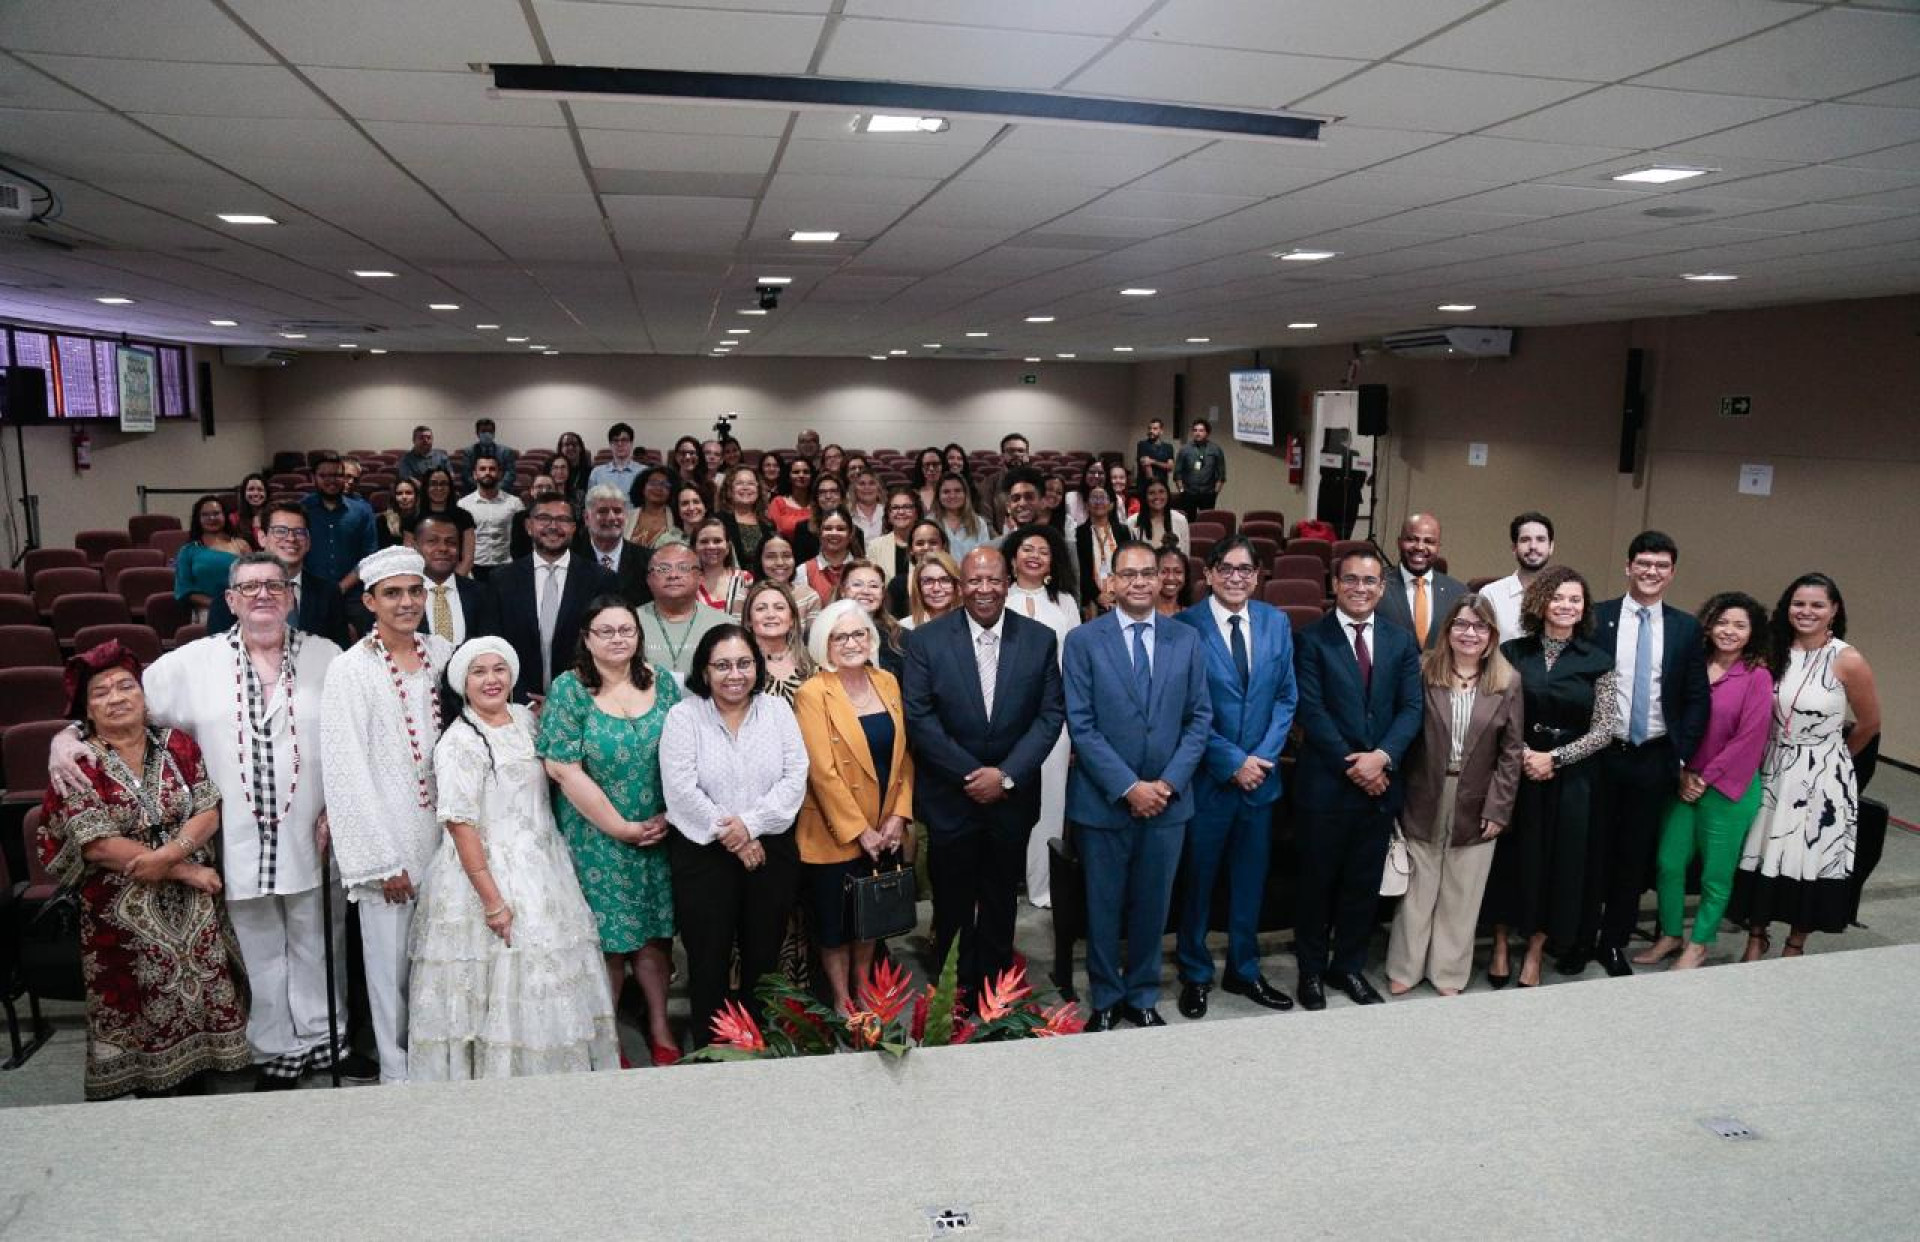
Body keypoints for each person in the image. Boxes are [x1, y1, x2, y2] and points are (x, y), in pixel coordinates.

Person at [38, 641, 252, 1099]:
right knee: (137, 1015)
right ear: (87, 710)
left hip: (193, 917)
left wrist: (170, 855)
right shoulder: (77, 762)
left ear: (142, 694)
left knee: (202, 1013)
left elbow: (208, 808)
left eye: (125, 687)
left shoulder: (177, 744)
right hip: (121, 919)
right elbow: (94, 842)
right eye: (101, 692)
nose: (116, 698)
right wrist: (184, 870)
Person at [409, 638, 619, 1079]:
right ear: (462, 683)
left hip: (542, 863)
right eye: (479, 672)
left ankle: (548, 1074)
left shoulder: (525, 720)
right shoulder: (460, 743)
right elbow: (460, 825)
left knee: (545, 974)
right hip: (488, 873)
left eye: (499, 670)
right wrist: (493, 901)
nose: (491, 680)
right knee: (497, 978)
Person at [902, 546, 1065, 1000]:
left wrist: (1006, 775)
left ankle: (996, 991)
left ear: (1007, 583)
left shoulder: (1038, 639)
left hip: (1011, 799)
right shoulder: (926, 641)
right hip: (951, 797)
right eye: (974, 580)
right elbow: (920, 718)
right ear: (960, 586)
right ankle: (954, 991)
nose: (984, 589)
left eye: (993, 580)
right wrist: (973, 774)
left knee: (1000, 901)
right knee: (952, 903)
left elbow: (1051, 715)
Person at [1061, 542, 1211, 1029]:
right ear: (1111, 581)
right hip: (1104, 801)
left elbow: (1199, 718)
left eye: (1150, 573)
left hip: (1169, 803)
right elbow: (1081, 726)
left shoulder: (1185, 639)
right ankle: (1105, 997)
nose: (1141, 582)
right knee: (1103, 907)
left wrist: (1165, 784)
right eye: (1129, 574)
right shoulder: (1084, 641)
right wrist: (1129, 787)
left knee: (1153, 904)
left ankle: (1142, 995)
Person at [321, 547, 454, 1083]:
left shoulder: (444, 653)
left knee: (440, 960)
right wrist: (379, 860)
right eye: (393, 593)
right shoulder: (349, 669)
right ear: (369, 601)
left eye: (414, 591)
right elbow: (344, 769)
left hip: (446, 836)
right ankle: (397, 1075)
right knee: (389, 967)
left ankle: (439, 1064)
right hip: (388, 842)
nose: (406, 603)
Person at [539, 596, 682, 1066]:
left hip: (658, 830)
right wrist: (619, 827)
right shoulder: (570, 688)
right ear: (587, 638)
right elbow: (562, 766)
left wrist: (670, 814)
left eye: (626, 630)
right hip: (596, 836)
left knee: (655, 935)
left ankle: (659, 1024)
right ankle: (608, 1036)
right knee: (609, 943)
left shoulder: (662, 684)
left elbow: (684, 750)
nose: (618, 639)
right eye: (606, 631)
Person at [1289, 545, 1424, 1009]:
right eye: (1351, 580)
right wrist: (1358, 765)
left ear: (1381, 588)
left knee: (1362, 888)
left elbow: (1411, 708)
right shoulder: (1310, 639)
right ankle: (1310, 972)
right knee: (1316, 886)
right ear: (1335, 584)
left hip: (1380, 790)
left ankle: (1346, 967)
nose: (1360, 589)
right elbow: (1312, 711)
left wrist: (1382, 757)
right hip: (1326, 786)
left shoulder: (1402, 640)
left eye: (1369, 581)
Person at [1169, 538, 1298, 1017]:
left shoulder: (1275, 621)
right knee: (1198, 884)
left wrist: (1261, 759)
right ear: (1209, 573)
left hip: (1261, 783)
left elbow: (1286, 697)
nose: (1237, 577)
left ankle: (1245, 971)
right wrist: (1232, 762)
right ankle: (1195, 972)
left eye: (1246, 569)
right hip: (1208, 782)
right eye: (1227, 568)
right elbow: (1185, 711)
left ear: (1258, 574)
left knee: (1250, 884)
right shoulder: (1184, 627)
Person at [663, 625, 809, 1044]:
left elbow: (794, 777)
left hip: (771, 850)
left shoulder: (777, 711)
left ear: (757, 666)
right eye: (722, 665)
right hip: (703, 854)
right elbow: (680, 789)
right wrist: (736, 836)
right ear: (704, 671)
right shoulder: (684, 716)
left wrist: (751, 825)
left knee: (764, 956)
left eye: (744, 663)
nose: (735, 674)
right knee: (708, 959)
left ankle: (759, 1041)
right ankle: (714, 1048)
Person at [1484, 567, 1619, 990]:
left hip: (1572, 779)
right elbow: (1495, 712)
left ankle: (1537, 949)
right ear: (1540, 602)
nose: (1566, 606)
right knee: (1510, 860)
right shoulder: (1510, 651)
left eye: (1575, 600)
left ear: (1584, 609)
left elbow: (1604, 729)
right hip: (1516, 770)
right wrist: (1524, 754)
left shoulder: (1598, 660)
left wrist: (1555, 758)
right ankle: (1502, 943)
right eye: (1558, 597)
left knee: (1558, 865)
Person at [1383, 593, 1525, 997]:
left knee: (1463, 889)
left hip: (1479, 796)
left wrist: (1499, 808)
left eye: (1480, 626)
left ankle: (1448, 972)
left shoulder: (1507, 680)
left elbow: (1511, 753)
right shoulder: (1425, 671)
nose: (1470, 633)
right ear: (1448, 631)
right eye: (1461, 624)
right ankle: (1405, 967)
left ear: (1492, 635)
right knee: (1418, 885)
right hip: (1424, 790)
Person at [1582, 531, 1710, 978]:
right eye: (1644, 563)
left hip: (1653, 755)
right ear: (1628, 566)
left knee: (1633, 854)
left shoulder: (1685, 628)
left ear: (1672, 573)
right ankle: (1580, 935)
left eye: (1661, 566)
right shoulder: (1597, 618)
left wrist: (1681, 756)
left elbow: (1696, 698)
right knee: (1591, 847)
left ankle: (1612, 940)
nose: (1651, 572)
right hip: (1600, 753)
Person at [1734, 574, 1881, 959]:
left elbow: (1869, 724)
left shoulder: (1847, 659)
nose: (1807, 612)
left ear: (1834, 611)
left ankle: (1795, 941)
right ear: (1787, 607)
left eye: (1817, 605)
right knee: (1761, 849)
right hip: (1772, 764)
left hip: (1822, 774)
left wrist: (1836, 761)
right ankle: (1755, 935)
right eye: (1799, 604)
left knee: (1810, 856)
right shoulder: (1771, 650)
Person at [1636, 593, 1772, 971]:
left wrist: (1704, 778)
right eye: (1722, 622)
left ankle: (1699, 943)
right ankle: (1670, 934)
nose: (1728, 631)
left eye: (1739, 625)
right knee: (1668, 863)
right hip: (1683, 781)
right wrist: (1682, 773)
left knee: (1715, 872)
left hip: (1729, 790)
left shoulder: (1756, 676)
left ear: (1752, 633)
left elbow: (1749, 739)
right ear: (1708, 626)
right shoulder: (1694, 666)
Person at [791, 602, 913, 1011]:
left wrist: (898, 816)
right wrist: (861, 831)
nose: (850, 643)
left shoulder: (887, 681)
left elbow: (904, 756)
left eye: (858, 634)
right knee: (834, 925)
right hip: (834, 830)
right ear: (825, 645)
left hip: (886, 823)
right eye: (839, 637)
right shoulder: (813, 693)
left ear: (871, 638)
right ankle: (842, 999)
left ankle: (865, 989)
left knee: (869, 919)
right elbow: (822, 771)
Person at [1001, 526, 1077, 908]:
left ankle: (1042, 885)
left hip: (1055, 715)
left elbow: (1075, 661)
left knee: (1051, 801)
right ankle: (1004, 880)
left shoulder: (1064, 601)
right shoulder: (998, 596)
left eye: (1042, 551)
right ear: (1012, 558)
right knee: (1006, 797)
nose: (1033, 555)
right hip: (1006, 718)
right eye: (1026, 549)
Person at [490, 495, 616, 701]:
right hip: (518, 704)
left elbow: (606, 645)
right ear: (529, 526)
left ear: (574, 528)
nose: (553, 526)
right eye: (544, 518)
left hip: (581, 701)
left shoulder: (601, 580)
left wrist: (570, 700)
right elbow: (494, 645)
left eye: (563, 520)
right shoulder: (501, 580)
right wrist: (525, 701)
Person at [206, 502, 351, 646]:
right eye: (280, 531)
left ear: (308, 541)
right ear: (262, 538)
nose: (291, 538)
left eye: (299, 532)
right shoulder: (234, 592)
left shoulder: (328, 593)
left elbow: (339, 653)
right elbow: (220, 653)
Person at [1376, 514, 1466, 651]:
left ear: (1438, 547)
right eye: (1412, 539)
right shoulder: (1375, 587)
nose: (1419, 547)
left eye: (1429, 541)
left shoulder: (1458, 592)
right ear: (1399, 542)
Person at [303, 452, 379, 593]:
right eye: (324, 476)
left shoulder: (362, 510)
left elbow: (369, 556)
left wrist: (341, 588)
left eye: (337, 475)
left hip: (354, 594)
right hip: (311, 592)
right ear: (313, 477)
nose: (331, 480)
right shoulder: (302, 509)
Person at [414, 514, 491, 646]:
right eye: (432, 541)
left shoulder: (483, 594)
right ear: (416, 547)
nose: (443, 548)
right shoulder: (401, 597)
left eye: (451, 542)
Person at [175, 493, 251, 623]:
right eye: (205, 515)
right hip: (206, 611)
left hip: (242, 609)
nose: (211, 518)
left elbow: (252, 580)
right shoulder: (187, 551)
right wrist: (218, 605)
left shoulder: (241, 545)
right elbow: (184, 590)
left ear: (225, 516)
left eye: (216, 513)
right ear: (197, 519)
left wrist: (237, 605)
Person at [574, 484, 651, 606]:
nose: (611, 517)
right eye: (603, 511)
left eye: (617, 511)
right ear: (586, 518)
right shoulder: (571, 558)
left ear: (626, 516)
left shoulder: (647, 559)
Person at [457, 449, 525, 580]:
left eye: (492, 469)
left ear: (500, 474)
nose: (487, 473)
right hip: (473, 569)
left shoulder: (515, 504)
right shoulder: (463, 505)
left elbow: (522, 541)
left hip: (506, 568)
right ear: (475, 474)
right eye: (482, 469)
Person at [1487, 512, 1555, 642]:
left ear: (1551, 547)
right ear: (1514, 548)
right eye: (1525, 540)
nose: (1533, 546)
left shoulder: (1566, 597)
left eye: (1540, 539)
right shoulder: (1491, 595)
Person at [744, 579, 813, 703]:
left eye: (779, 608)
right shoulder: (740, 666)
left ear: (792, 619)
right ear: (749, 620)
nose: (771, 615)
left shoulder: (813, 662)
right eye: (761, 609)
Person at [835, 559, 904, 679]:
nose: (866, 591)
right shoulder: (824, 633)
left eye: (873, 586)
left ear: (882, 594)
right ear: (842, 591)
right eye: (857, 584)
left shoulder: (900, 636)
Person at [1074, 484, 1127, 617]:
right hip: (1092, 601)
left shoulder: (1123, 531)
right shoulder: (1079, 534)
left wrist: (1117, 593)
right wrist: (1097, 595)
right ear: (1086, 505)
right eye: (1094, 498)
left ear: (1111, 505)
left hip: (1122, 597)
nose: (1098, 502)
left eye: (1102, 498)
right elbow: (1080, 569)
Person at [415, 467, 476, 576]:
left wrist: (452, 583)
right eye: (433, 484)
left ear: (450, 488)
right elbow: (411, 556)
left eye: (443, 484)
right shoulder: (413, 518)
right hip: (421, 578)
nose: (439, 488)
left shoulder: (464, 517)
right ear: (426, 487)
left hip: (459, 575)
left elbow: (468, 558)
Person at [884, 519, 948, 619]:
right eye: (920, 543)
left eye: (933, 542)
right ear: (911, 550)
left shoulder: (957, 581)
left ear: (943, 546)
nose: (926, 547)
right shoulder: (898, 585)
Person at [692, 516, 751, 620]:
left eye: (717, 541)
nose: (711, 546)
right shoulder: (689, 584)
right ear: (695, 548)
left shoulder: (745, 579)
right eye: (704, 541)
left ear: (728, 547)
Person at [756, 535, 821, 628]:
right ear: (760, 560)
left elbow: (813, 638)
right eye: (771, 557)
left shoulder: (809, 597)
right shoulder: (745, 595)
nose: (780, 563)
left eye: (786, 556)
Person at [719, 466, 777, 570]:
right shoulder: (719, 521)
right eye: (739, 483)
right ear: (729, 490)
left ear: (758, 489)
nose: (745, 487)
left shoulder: (768, 524)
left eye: (751, 483)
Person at [867, 488, 924, 586]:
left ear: (917, 513)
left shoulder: (927, 544)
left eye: (907, 507)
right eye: (895, 508)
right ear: (888, 515)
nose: (901, 512)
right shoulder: (875, 546)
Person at [801, 507, 860, 602]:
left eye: (841, 529)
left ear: (851, 533)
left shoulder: (862, 569)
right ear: (819, 533)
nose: (834, 533)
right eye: (828, 528)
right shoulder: (804, 571)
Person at [1173, 418, 1227, 515]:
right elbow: (1177, 474)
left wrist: (1215, 493)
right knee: (1189, 522)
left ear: (1207, 433)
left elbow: (1221, 475)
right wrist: (1182, 491)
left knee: (1207, 521)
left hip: (1208, 493)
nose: (1197, 433)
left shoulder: (1216, 450)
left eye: (1201, 430)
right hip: (1189, 493)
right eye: (1195, 430)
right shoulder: (1185, 450)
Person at [902, 549, 960, 630]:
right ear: (918, 587)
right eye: (928, 581)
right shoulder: (904, 628)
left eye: (945, 580)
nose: (936, 588)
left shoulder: (971, 625)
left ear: (956, 585)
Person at [626, 465, 678, 547]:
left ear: (671, 491)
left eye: (665, 484)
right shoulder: (627, 517)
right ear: (642, 487)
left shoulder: (677, 518)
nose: (658, 488)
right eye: (653, 482)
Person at [1132, 479, 1189, 554]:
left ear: (1168, 494)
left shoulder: (1181, 520)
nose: (1157, 496)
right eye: (1151, 493)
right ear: (1145, 496)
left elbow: (1185, 557)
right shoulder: (1132, 522)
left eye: (1161, 492)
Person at [767, 455, 816, 539]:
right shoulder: (778, 502)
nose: (801, 475)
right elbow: (773, 534)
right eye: (796, 472)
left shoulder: (818, 502)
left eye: (806, 472)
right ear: (788, 477)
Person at [587, 421, 643, 494]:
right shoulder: (597, 473)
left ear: (631, 443)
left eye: (624, 440)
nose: (620, 444)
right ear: (610, 444)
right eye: (615, 440)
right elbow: (591, 502)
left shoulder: (643, 472)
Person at [463, 417, 517, 490]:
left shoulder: (506, 451)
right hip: (476, 491)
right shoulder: (469, 452)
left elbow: (510, 474)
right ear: (477, 433)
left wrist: (496, 488)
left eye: (490, 431)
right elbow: (466, 475)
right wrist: (481, 489)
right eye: (483, 431)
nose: (487, 434)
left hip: (501, 491)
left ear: (494, 433)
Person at [848, 468, 888, 544]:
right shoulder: (848, 514)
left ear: (878, 488)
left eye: (872, 483)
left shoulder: (888, 512)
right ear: (854, 489)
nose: (867, 487)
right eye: (862, 484)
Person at [379, 478, 421, 548]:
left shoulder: (424, 519)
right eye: (399, 494)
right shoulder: (383, 520)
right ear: (394, 497)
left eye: (408, 493)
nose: (404, 497)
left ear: (416, 496)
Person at [1136, 417, 1174, 496]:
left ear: (1161, 431)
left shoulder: (1168, 447)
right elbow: (1147, 466)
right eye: (1149, 428)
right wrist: (1153, 486)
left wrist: (1153, 461)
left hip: (1163, 486)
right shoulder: (1143, 444)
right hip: (1146, 487)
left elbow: (1170, 467)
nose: (1151, 431)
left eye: (1155, 428)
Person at [553, 431, 592, 503]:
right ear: (561, 449)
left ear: (580, 448)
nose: (571, 447)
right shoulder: (552, 471)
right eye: (566, 444)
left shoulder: (591, 472)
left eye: (574, 444)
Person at [234, 472, 271, 548]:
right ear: (243, 493)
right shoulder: (234, 518)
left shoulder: (275, 516)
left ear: (267, 494)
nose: (256, 493)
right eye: (251, 489)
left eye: (260, 490)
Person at [1154, 545, 1189, 616]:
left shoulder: (1192, 616)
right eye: (1164, 572)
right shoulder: (1141, 615)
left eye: (1178, 572)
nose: (1171, 578)